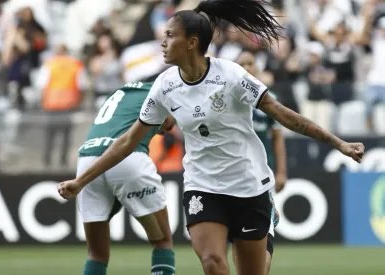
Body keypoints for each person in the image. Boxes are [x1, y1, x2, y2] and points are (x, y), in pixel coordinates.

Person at [58, 1, 365, 275]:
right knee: (213, 262)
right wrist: (81, 181)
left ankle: (266, 225)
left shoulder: (231, 76)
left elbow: (284, 115)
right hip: (202, 186)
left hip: (248, 184)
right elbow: (127, 141)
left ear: (191, 43)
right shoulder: (163, 86)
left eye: (169, 36)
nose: (162, 42)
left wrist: (338, 143)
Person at [75, 79, 176, 275]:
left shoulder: (123, 93)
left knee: (96, 254)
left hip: (87, 160)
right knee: (162, 241)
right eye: (171, 123)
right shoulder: (164, 92)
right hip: (127, 157)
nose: (166, 131)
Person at [234, 51, 287, 274]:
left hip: (261, 177)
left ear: (257, 66)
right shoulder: (230, 98)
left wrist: (282, 172)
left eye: (250, 63)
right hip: (232, 177)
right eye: (242, 64)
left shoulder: (269, 99)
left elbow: (277, 139)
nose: (247, 67)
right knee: (239, 240)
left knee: (261, 238)